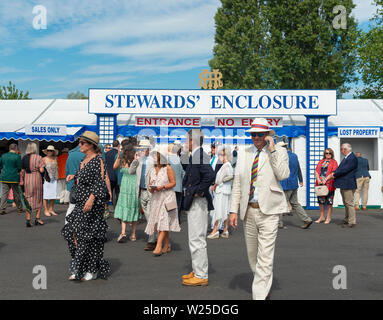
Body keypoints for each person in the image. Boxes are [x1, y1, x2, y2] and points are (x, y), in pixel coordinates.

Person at [229, 118, 289, 300]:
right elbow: (238, 183)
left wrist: (272, 151)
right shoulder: (245, 153)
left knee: (265, 257)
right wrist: (233, 210)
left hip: (269, 211)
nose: (255, 137)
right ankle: (263, 285)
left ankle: (259, 295)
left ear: (268, 136)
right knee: (253, 256)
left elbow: (283, 175)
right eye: (253, 134)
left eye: (259, 134)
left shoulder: (279, 151)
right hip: (249, 211)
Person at [62, 131, 110, 281]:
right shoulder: (85, 159)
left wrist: (91, 199)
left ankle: (88, 269)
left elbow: (99, 181)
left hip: (91, 205)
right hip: (80, 203)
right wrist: (73, 176)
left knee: (87, 238)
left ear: (91, 145)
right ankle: (82, 266)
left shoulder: (98, 160)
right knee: (72, 233)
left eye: (82, 143)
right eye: (80, 142)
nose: (79, 145)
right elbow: (84, 175)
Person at [182, 129, 215, 287]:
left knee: (197, 239)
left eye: (186, 139)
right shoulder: (197, 154)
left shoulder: (199, 155)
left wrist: (198, 191)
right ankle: (197, 270)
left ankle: (201, 274)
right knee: (194, 238)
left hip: (198, 202)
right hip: (195, 201)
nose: (185, 142)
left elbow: (210, 175)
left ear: (191, 141)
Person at [145, 150, 181, 256]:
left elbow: (174, 183)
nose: (154, 158)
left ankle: (158, 246)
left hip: (169, 197)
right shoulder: (152, 169)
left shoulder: (168, 168)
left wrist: (163, 187)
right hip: (156, 198)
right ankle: (167, 244)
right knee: (162, 221)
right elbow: (149, 184)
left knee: (164, 219)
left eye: (156, 156)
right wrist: (151, 189)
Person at [129, 139, 156, 251]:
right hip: (141, 191)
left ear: (148, 149)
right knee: (148, 215)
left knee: (150, 216)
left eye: (144, 149)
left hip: (151, 191)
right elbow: (131, 172)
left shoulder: (153, 160)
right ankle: (156, 236)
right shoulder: (139, 160)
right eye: (141, 149)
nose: (142, 151)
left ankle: (152, 240)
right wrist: (135, 161)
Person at [278, 142, 313, 229]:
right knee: (295, 203)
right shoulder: (294, 156)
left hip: (285, 184)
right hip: (294, 183)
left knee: (280, 204)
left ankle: (279, 223)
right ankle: (306, 219)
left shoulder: (282, 157)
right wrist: (300, 180)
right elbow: (298, 168)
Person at [113, 144, 141, 242]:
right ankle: (133, 234)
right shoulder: (136, 159)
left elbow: (114, 167)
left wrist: (118, 156)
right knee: (134, 207)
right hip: (134, 184)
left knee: (124, 205)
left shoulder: (122, 159)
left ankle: (123, 232)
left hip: (125, 184)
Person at [327, 143, 358, 228]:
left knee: (349, 203)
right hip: (344, 184)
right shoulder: (347, 157)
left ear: (346, 149)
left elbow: (345, 170)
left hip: (348, 184)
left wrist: (334, 174)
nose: (341, 151)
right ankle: (347, 219)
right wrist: (335, 173)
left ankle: (351, 221)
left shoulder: (352, 158)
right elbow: (341, 169)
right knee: (346, 203)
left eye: (342, 149)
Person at [208, 146, 233, 239]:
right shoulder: (229, 165)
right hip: (226, 190)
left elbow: (219, 179)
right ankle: (225, 229)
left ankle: (215, 230)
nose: (219, 157)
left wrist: (215, 185)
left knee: (218, 210)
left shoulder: (225, 166)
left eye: (220, 155)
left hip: (221, 191)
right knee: (225, 210)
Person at [20, 143, 45, 227]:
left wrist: (22, 181)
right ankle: (37, 218)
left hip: (27, 178)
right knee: (38, 197)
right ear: (35, 148)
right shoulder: (39, 157)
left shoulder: (24, 157)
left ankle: (28, 219)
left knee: (28, 198)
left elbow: (22, 171)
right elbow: (41, 170)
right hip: (36, 178)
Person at [314, 148, 338, 224]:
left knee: (329, 202)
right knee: (321, 201)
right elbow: (317, 171)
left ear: (332, 154)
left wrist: (326, 179)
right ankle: (321, 217)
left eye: (329, 153)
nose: (328, 154)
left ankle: (328, 218)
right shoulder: (321, 161)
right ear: (324, 154)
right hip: (320, 184)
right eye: (326, 153)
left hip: (329, 184)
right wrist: (318, 179)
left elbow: (334, 172)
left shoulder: (334, 162)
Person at [0, 143, 23, 215]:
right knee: (16, 193)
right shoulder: (17, 156)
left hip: (4, 177)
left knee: (4, 194)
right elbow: (19, 167)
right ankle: (19, 208)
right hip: (14, 177)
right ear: (16, 148)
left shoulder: (3, 156)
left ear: (9, 148)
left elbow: (1, 166)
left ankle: (2, 209)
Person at [65, 145, 84, 223]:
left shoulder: (70, 155)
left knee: (71, 206)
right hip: (82, 184)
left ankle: (67, 223)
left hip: (71, 182)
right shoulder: (85, 155)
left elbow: (67, 169)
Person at [168, 143, 185, 223]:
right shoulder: (178, 160)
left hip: (171, 185)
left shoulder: (168, 159)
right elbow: (183, 173)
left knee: (171, 203)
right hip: (179, 186)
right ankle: (177, 219)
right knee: (178, 204)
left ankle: (171, 219)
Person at [42, 145, 59, 217]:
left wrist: (57, 177)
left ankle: (51, 209)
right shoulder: (44, 159)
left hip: (54, 178)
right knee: (46, 195)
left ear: (53, 152)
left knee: (53, 195)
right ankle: (46, 210)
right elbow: (41, 169)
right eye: (48, 150)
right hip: (47, 179)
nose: (49, 152)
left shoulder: (55, 158)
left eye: (51, 151)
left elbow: (57, 168)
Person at [105, 140, 120, 209]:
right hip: (117, 176)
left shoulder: (107, 153)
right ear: (118, 145)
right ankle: (116, 209)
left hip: (108, 176)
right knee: (117, 194)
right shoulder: (119, 154)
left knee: (107, 193)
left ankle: (106, 208)